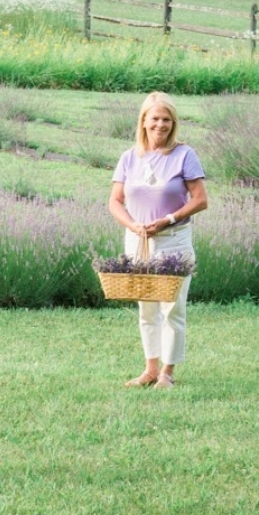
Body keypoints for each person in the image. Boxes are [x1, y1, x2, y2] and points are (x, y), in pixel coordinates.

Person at [108, 91, 208, 389]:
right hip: (138, 242)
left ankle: (167, 372)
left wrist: (167, 220)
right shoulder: (129, 157)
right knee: (146, 307)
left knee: (172, 307)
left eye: (166, 120)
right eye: (155, 119)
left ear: (173, 123)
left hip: (173, 241)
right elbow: (115, 201)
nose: (160, 125)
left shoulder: (184, 155)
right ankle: (149, 370)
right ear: (143, 121)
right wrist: (133, 226)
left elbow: (200, 200)